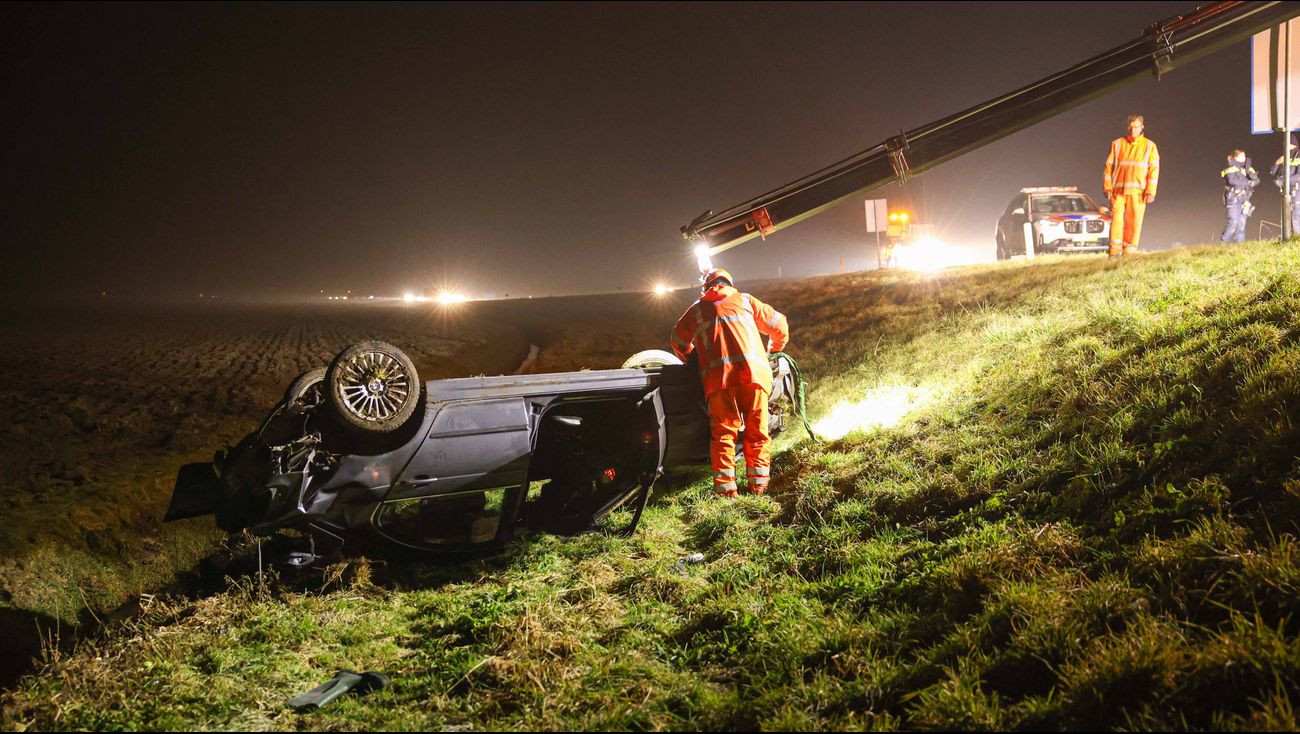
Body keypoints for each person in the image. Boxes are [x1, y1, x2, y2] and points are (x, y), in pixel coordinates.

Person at [671, 268, 789, 498]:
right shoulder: (745, 300)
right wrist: (773, 350)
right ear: (729, 283)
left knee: (724, 436)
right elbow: (780, 325)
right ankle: (760, 488)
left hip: (718, 383)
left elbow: (677, 340)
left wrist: (692, 358)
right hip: (753, 377)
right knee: (757, 433)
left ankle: (727, 493)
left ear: (706, 287)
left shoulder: (696, 310)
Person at [1103, 114, 1161, 256]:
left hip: (1138, 193)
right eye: (1131, 126)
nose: (1133, 129)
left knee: (1134, 223)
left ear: (1142, 127)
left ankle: (1129, 252)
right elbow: (1108, 168)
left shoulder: (1150, 146)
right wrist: (1107, 187)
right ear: (1127, 127)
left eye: (1136, 126)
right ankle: (1114, 252)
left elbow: (1154, 170)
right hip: (1118, 192)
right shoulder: (1117, 144)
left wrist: (1151, 191)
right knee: (1116, 221)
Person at [1220, 150, 1259, 244]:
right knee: (1233, 221)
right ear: (1235, 158)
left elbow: (1257, 180)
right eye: (1241, 156)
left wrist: (1251, 177)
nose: (1244, 158)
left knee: (1242, 223)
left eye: (1244, 156)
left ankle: (1240, 245)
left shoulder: (1249, 168)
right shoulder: (1230, 168)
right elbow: (1232, 181)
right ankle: (1223, 243)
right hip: (1233, 198)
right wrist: (1248, 182)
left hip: (1245, 199)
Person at [1272, 133, 1300, 237]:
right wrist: (1277, 163)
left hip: (1297, 189)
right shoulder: (1283, 157)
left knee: (1297, 213)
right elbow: (1273, 172)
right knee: (1286, 213)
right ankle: (1288, 237)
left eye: (1288, 144)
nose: (1285, 146)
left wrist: (1285, 180)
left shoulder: (1298, 156)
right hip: (1286, 190)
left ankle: (1297, 237)